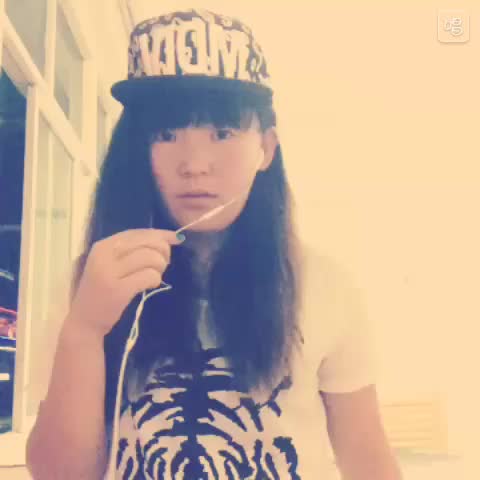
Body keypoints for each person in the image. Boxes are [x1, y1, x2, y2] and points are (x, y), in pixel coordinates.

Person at [26, 8, 402, 480]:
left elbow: (367, 459)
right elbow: (58, 474)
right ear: (138, 150)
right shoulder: (91, 283)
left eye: (223, 133)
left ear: (265, 148)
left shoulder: (325, 288)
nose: (195, 164)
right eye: (166, 135)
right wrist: (84, 330)